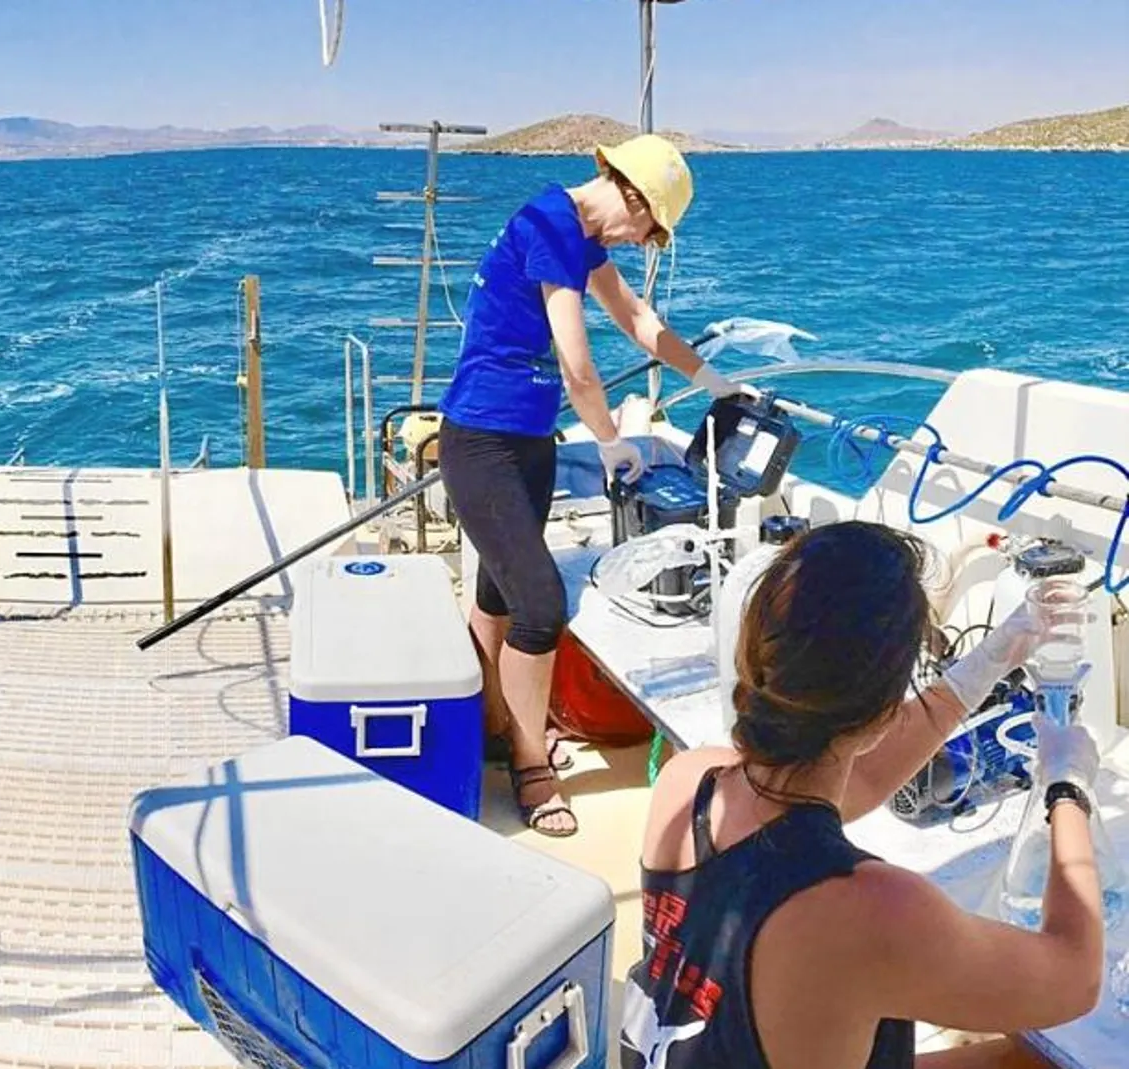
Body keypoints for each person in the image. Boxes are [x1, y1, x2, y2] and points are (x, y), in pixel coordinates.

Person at [622, 521, 1103, 1069]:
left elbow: (864, 780)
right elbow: (1075, 977)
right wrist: (1068, 787)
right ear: (879, 716)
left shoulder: (689, 782)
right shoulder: (872, 909)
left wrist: (993, 657)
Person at [435, 133, 742, 836]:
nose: (642, 242)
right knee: (541, 606)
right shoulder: (549, 223)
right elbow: (577, 364)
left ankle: (489, 726)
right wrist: (611, 443)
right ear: (631, 194)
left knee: (498, 596)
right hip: (481, 442)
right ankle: (529, 764)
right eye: (649, 228)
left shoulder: (579, 238)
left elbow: (638, 320)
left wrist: (715, 383)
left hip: (529, 440)